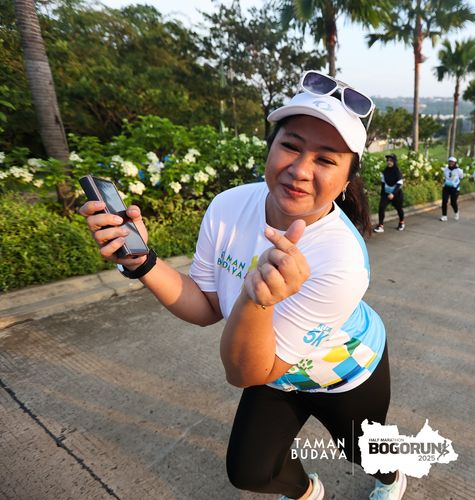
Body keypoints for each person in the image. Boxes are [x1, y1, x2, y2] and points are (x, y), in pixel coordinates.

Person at [79, 72, 407, 500]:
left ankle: (392, 477)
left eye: (326, 160)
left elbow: (245, 373)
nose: (299, 170)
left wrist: (258, 300)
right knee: (251, 472)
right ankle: (307, 491)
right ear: (270, 147)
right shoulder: (229, 205)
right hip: (275, 372)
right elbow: (206, 306)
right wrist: (142, 262)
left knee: (363, 451)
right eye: (290, 146)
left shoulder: (342, 258)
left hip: (344, 372)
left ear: (347, 181)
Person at [374, 154, 405, 233]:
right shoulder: (385, 172)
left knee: (399, 209)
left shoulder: (398, 172)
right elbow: (383, 184)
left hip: (396, 194)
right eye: (388, 160)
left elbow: (399, 184)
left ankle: (401, 222)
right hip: (386, 194)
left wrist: (393, 194)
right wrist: (382, 195)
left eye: (391, 160)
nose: (389, 162)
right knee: (381, 207)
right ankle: (381, 225)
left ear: (394, 162)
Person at [440, 156, 463, 221]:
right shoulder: (445, 169)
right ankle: (444, 216)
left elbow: (461, 177)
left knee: (453, 202)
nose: (451, 163)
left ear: (455, 163)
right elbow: (444, 177)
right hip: (446, 187)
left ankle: (456, 212)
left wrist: (455, 183)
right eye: (450, 162)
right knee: (444, 201)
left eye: (452, 162)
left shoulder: (459, 170)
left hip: (455, 188)